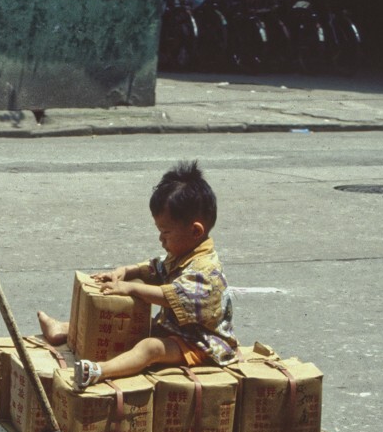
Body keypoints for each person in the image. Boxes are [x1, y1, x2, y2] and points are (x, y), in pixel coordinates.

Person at [38, 161, 238, 390]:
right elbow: (155, 269)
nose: (161, 240)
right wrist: (126, 272)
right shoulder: (183, 254)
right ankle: (64, 329)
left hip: (201, 344)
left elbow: (171, 295)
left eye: (166, 233)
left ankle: (98, 371)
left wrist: (131, 288)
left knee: (149, 348)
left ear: (195, 231)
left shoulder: (206, 271)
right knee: (126, 325)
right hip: (175, 331)